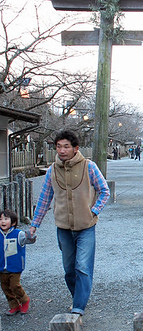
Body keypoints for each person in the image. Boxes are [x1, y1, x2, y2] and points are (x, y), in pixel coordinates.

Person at [30, 129, 110, 316]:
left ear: (75, 148)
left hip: (86, 227)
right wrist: (34, 225)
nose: (62, 150)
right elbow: (44, 199)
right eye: (59, 146)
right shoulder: (52, 171)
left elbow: (104, 191)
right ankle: (77, 298)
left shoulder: (89, 167)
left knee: (82, 266)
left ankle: (78, 308)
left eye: (66, 146)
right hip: (63, 228)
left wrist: (94, 211)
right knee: (69, 269)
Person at [0, 209, 33, 315]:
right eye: (0, 219)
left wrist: (30, 236)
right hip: (1, 266)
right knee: (5, 287)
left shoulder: (18, 234)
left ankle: (24, 300)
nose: (3, 221)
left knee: (14, 285)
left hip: (15, 266)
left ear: (13, 222)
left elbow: (28, 239)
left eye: (6, 219)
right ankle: (14, 305)